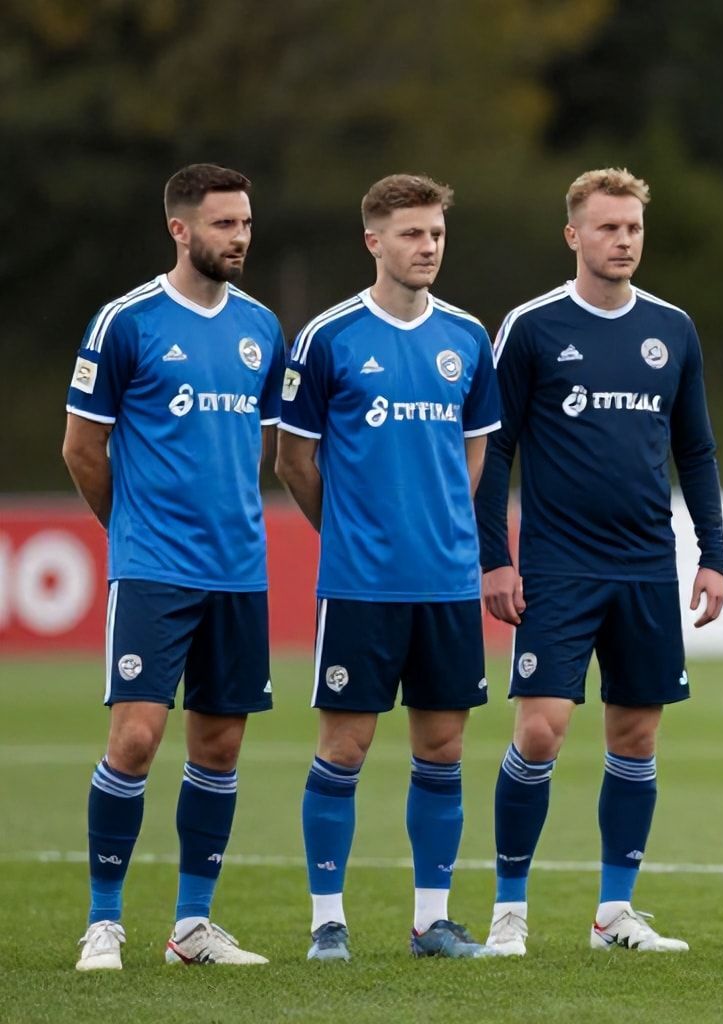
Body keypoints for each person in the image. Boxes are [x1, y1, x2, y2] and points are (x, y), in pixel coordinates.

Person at [474, 167, 723, 956]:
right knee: (541, 732)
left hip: (646, 564)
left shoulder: (672, 329)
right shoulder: (531, 327)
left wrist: (713, 554)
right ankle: (509, 910)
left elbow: (696, 450)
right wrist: (495, 558)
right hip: (558, 564)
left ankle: (615, 912)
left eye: (633, 227)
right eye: (608, 227)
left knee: (637, 738)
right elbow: (495, 449)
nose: (623, 240)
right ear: (573, 235)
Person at [276, 173, 503, 961]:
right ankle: (327, 922)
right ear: (374, 241)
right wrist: (348, 530)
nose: (428, 246)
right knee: (344, 750)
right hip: (361, 584)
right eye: (412, 234)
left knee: (443, 750)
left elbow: (475, 451)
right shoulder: (329, 337)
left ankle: (430, 922)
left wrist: (442, 526)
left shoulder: (467, 337)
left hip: (446, 581)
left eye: (436, 233)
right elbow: (293, 459)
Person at [64, 163, 283, 971]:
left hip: (238, 569)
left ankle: (192, 927)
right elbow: (81, 447)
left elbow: (260, 445)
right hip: (154, 566)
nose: (240, 237)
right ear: (179, 229)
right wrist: (130, 529)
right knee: (135, 740)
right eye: (225, 224)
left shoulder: (262, 327)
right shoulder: (128, 322)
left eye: (246, 223)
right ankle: (104, 922)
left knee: (218, 748)